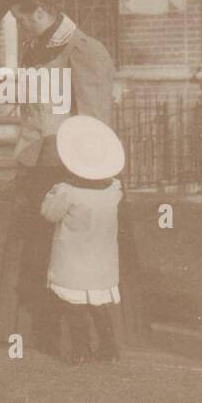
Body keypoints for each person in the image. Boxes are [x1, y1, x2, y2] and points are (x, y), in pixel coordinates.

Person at [0, 0, 117, 354]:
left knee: (66, 255)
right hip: (35, 164)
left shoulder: (83, 50)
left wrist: (81, 179)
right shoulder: (36, 47)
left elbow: (95, 124)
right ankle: (28, 329)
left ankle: (76, 338)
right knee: (31, 251)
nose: (20, 28)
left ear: (39, 12)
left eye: (21, 20)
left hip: (68, 171)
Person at [41, 116, 126, 364]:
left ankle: (81, 349)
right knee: (99, 306)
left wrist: (52, 193)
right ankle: (110, 348)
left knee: (74, 307)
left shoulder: (67, 191)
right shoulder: (114, 191)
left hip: (73, 260)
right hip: (102, 261)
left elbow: (49, 214)